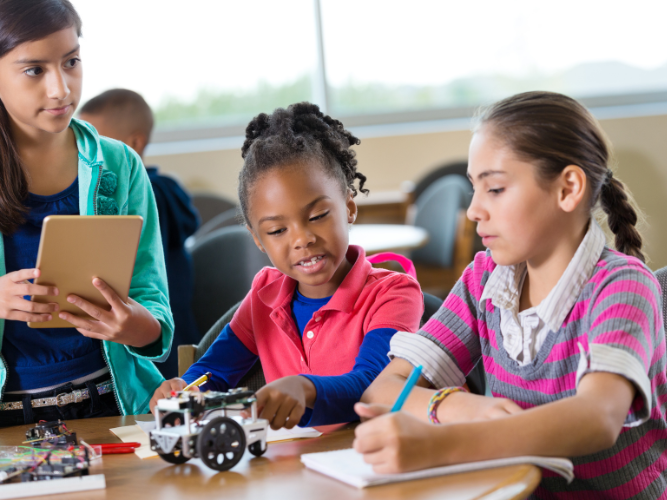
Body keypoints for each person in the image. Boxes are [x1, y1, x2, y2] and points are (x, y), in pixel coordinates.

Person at [354, 91, 667, 498]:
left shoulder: (621, 285)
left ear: (568, 188)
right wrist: (461, 407)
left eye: (495, 189)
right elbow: (386, 387)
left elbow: (597, 417)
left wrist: (441, 445)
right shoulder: (484, 281)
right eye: (473, 190)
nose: (473, 211)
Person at [150, 102, 423, 430]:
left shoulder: (394, 293)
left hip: (375, 459)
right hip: (291, 471)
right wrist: (186, 387)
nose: (302, 239)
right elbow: (215, 370)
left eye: (318, 216)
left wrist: (304, 388)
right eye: (278, 230)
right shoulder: (264, 295)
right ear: (257, 239)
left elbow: (375, 385)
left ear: (349, 208)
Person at [0, 0, 174, 425]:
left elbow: (155, 313)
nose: (61, 88)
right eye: (34, 70)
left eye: (71, 61)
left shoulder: (120, 164)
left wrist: (134, 325)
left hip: (113, 402)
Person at [79, 89, 200, 379]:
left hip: (161, 338)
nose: (85, 150)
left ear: (134, 142)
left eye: (95, 139)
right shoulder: (169, 190)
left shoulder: (150, 196)